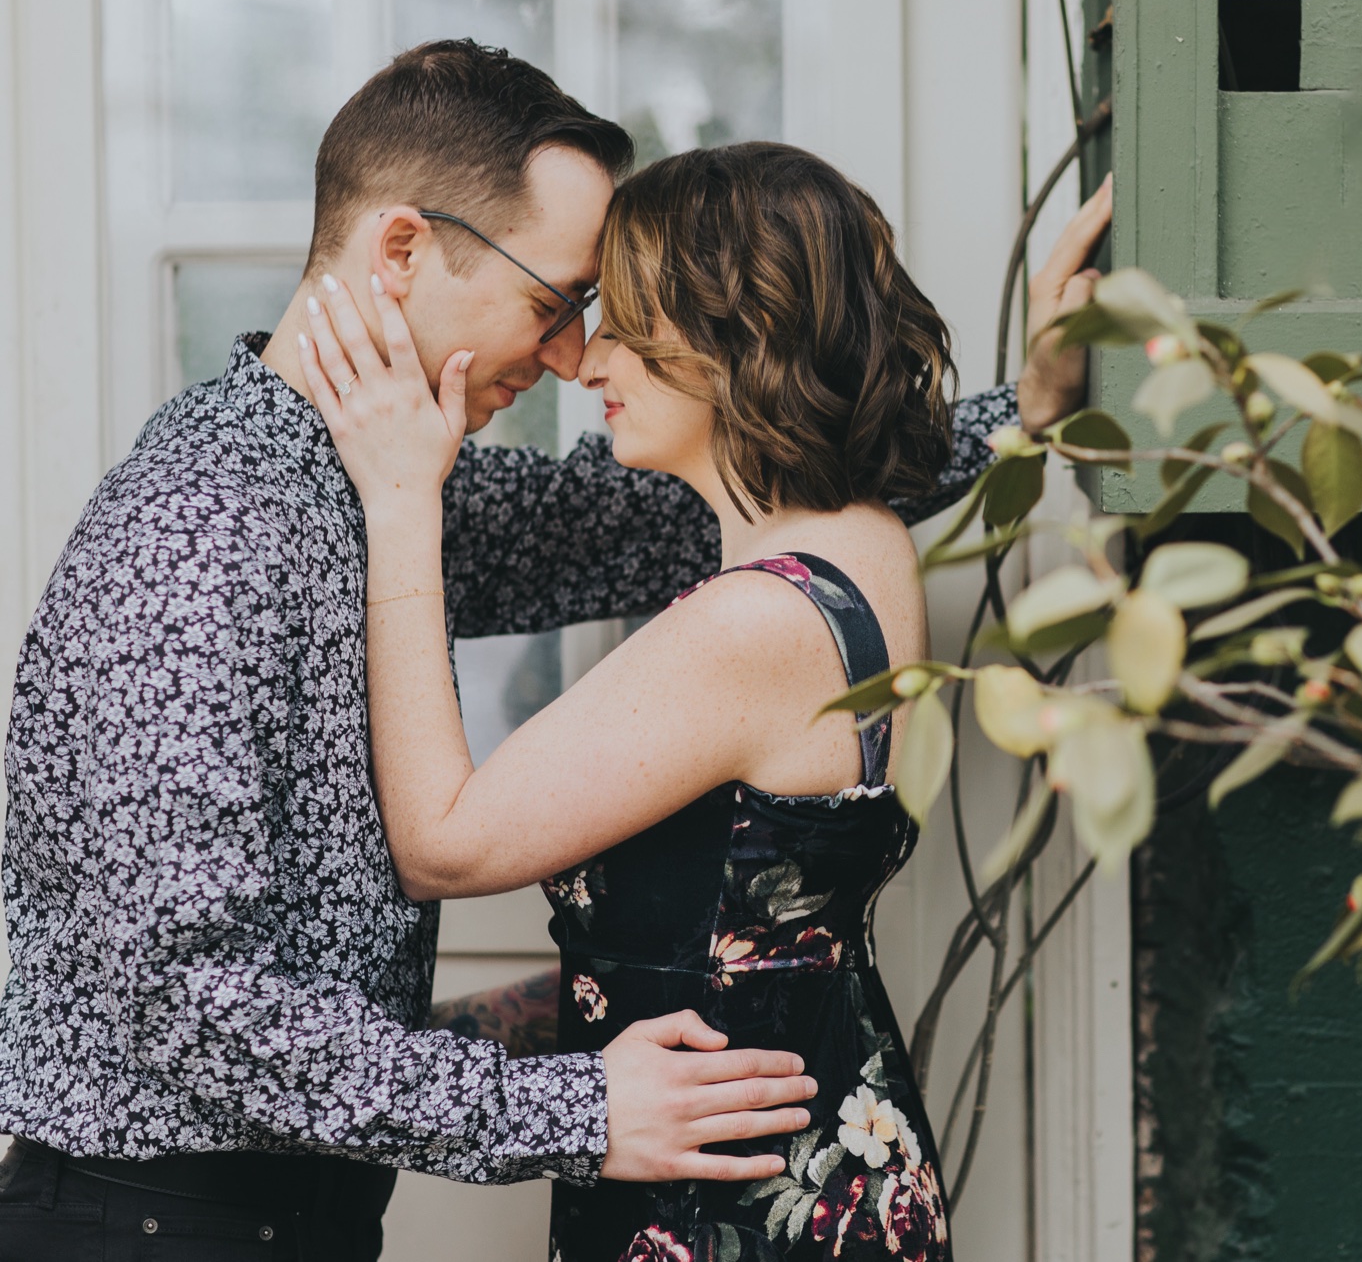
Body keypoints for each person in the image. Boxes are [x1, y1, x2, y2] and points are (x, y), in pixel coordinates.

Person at [0, 41, 1101, 1261]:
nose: (575, 356)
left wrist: (1023, 417)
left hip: (295, 1211)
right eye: (554, 301)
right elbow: (180, 998)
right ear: (404, 252)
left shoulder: (386, 486)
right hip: (148, 1223)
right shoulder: (201, 528)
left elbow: (687, 499)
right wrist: (571, 1107)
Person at [295, 138, 1109, 1262]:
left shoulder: (747, 627)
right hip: (808, 1157)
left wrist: (400, 506)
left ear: (729, 341)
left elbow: (440, 841)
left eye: (622, 319)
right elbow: (701, 939)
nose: (585, 361)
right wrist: (1030, 405)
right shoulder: (856, 539)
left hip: (726, 1202)